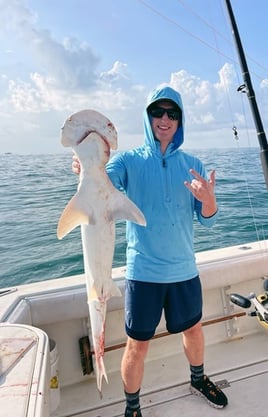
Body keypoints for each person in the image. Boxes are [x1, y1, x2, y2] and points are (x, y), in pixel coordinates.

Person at [72, 85, 228, 416]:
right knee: (137, 345)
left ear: (180, 119)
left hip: (184, 270)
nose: (165, 118)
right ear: (148, 117)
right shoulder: (129, 161)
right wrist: (87, 167)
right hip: (143, 273)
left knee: (194, 330)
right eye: (158, 111)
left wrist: (210, 200)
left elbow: (209, 221)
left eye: (172, 113)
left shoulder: (192, 163)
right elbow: (102, 185)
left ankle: (198, 380)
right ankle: (132, 408)